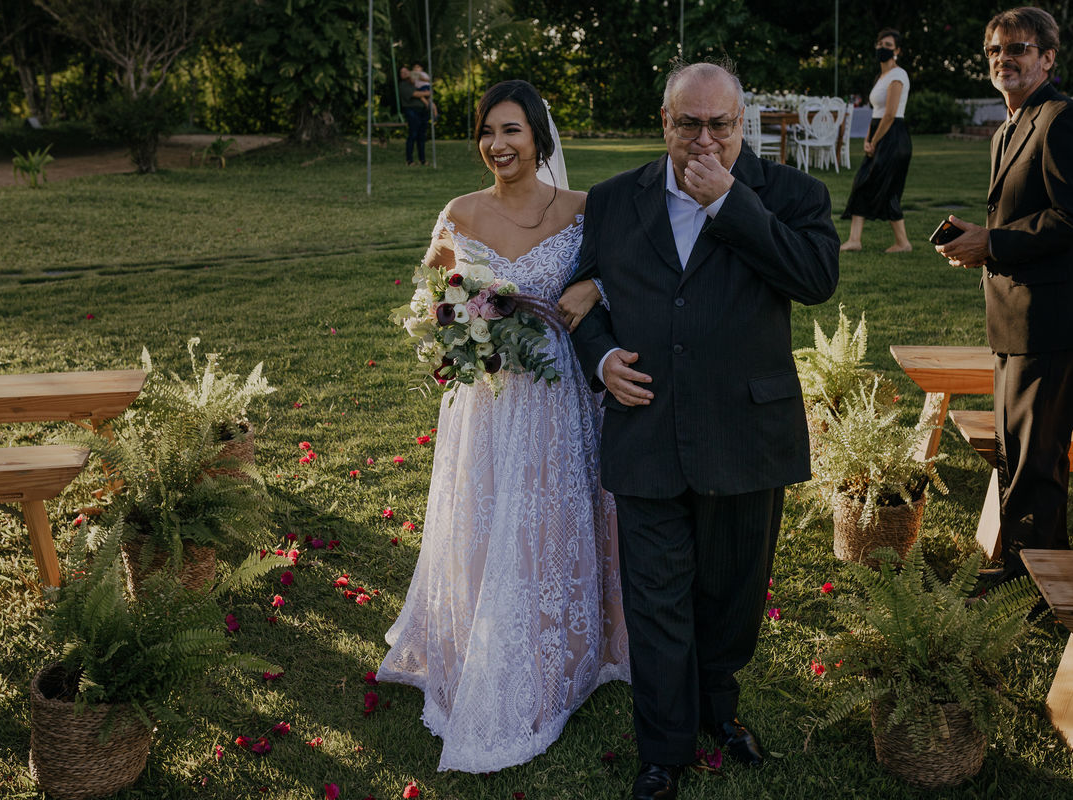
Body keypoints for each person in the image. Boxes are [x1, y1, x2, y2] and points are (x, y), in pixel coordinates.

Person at [568, 60, 839, 800]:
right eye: (689, 124)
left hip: (746, 434)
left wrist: (731, 205)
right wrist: (600, 360)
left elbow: (815, 279)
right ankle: (662, 750)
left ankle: (719, 707)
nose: (704, 139)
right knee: (656, 599)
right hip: (645, 428)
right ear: (664, 123)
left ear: (741, 124)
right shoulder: (616, 200)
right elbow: (580, 296)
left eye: (720, 124)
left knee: (731, 595)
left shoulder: (790, 195)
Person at [377, 79, 630, 773]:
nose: (498, 144)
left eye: (512, 130)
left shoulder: (584, 210)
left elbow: (637, 267)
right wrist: (452, 326)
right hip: (484, 399)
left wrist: (595, 284)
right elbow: (431, 295)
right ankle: (480, 639)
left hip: (560, 395)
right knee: (487, 518)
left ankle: (561, 647)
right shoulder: (458, 212)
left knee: (552, 518)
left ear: (539, 139)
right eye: (489, 131)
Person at [935, 7, 1073, 587]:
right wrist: (978, 243)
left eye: (1018, 48)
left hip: (1055, 321)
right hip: (1014, 319)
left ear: (1048, 58)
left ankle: (1033, 582)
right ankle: (1026, 569)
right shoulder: (1010, 126)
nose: (1003, 59)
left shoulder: (1064, 120)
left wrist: (996, 242)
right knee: (1015, 453)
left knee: (1037, 459)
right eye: (994, 51)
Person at [840, 28, 913, 253]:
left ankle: (903, 243)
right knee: (863, 182)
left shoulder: (898, 75)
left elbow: (890, 114)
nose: (883, 48)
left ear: (897, 51)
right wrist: (868, 139)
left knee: (887, 188)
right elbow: (877, 113)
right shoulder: (881, 77)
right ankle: (854, 240)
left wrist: (875, 140)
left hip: (893, 137)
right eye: (880, 44)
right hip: (880, 133)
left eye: (889, 45)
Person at [398, 64, 430, 166]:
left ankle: (422, 160)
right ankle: (410, 160)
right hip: (411, 110)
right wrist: (426, 93)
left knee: (421, 136)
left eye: (406, 71)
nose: (404, 74)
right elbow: (416, 94)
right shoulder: (403, 85)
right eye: (402, 72)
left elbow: (425, 86)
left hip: (422, 110)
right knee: (413, 134)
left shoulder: (415, 83)